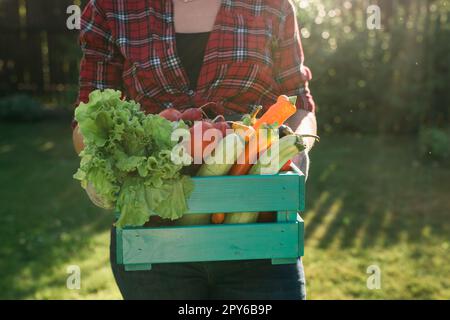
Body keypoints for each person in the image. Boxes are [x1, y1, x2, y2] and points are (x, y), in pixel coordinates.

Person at [72, 0, 317, 300]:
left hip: (260, 235)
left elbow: (300, 105)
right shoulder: (111, 8)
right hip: (154, 244)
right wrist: (149, 136)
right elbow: (87, 122)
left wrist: (292, 147)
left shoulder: (272, 5)